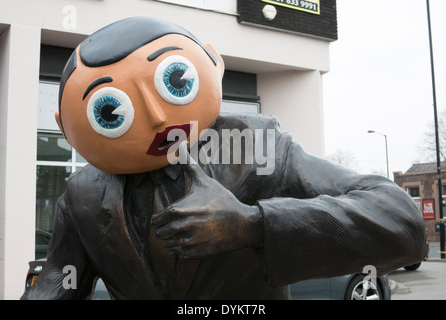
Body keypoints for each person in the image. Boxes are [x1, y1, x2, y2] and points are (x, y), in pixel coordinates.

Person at [22, 16, 427, 300]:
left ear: (212, 63)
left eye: (174, 80)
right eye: (109, 111)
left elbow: (402, 223)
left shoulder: (256, 147)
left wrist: (252, 225)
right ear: (65, 127)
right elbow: (58, 281)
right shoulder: (83, 193)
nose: (159, 116)